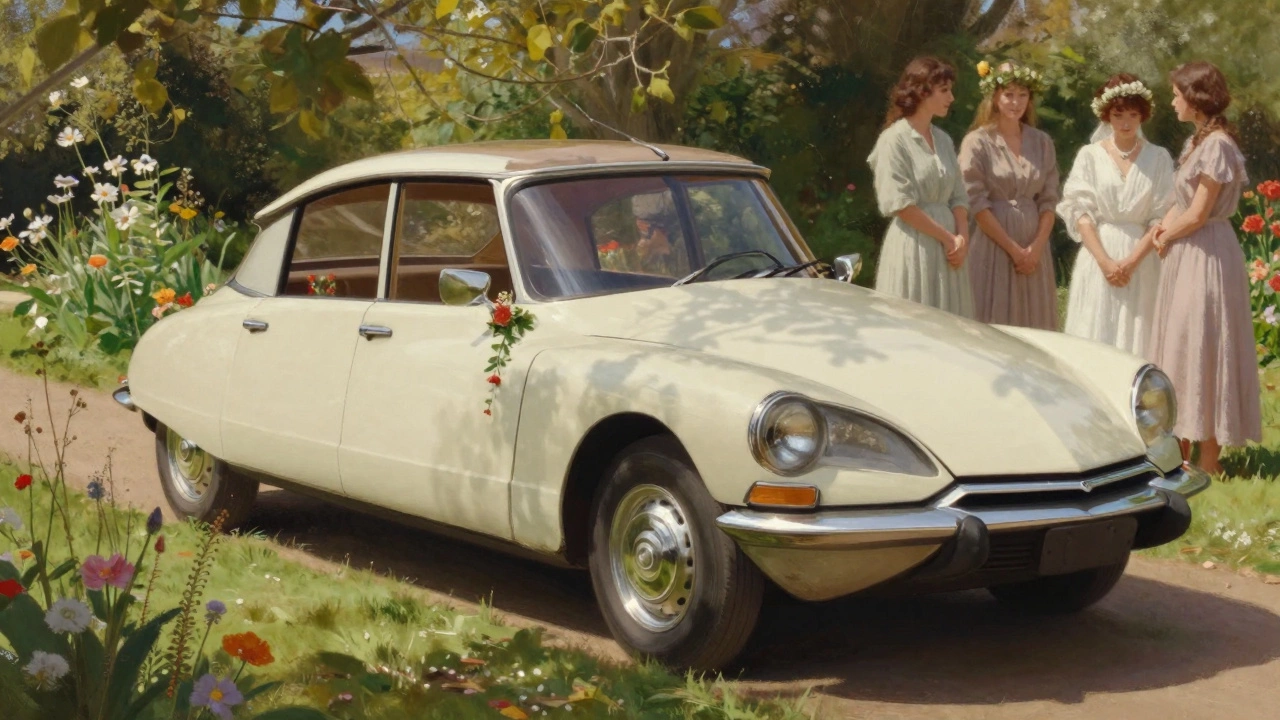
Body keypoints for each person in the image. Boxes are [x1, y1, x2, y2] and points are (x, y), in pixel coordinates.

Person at [1148, 61, 1262, 474]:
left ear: (1195, 100)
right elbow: (1183, 206)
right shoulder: (1196, 142)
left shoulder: (1216, 145)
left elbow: (1198, 213)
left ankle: (1209, 460)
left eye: (1177, 94)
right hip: (1189, 250)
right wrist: (1163, 226)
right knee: (1181, 345)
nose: (1172, 101)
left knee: (1203, 344)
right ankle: (1177, 455)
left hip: (1207, 252)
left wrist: (1166, 235)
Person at [1058, 74, 1174, 355]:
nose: (1125, 122)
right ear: (1106, 115)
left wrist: (1132, 262)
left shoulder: (1159, 158)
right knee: (1097, 330)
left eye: (1133, 115)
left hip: (1141, 257)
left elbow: (1161, 215)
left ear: (1142, 116)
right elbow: (1080, 211)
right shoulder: (1089, 155)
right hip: (1099, 255)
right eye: (1118, 114)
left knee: (1139, 336)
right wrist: (1106, 262)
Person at [868, 56, 973, 316]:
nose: (951, 98)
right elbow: (900, 204)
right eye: (944, 90)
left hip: (950, 252)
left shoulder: (944, 140)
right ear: (922, 92)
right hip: (915, 246)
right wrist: (948, 238)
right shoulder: (893, 140)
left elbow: (959, 196)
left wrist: (963, 239)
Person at [959, 61, 1060, 328]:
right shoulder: (977, 142)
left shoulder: (1042, 142)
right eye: (1009, 94)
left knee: (1035, 324)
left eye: (1022, 95)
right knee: (993, 323)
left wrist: (1036, 249)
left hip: (1034, 248)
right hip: (994, 247)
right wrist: (1014, 251)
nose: (1016, 102)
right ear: (994, 96)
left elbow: (1049, 199)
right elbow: (976, 202)